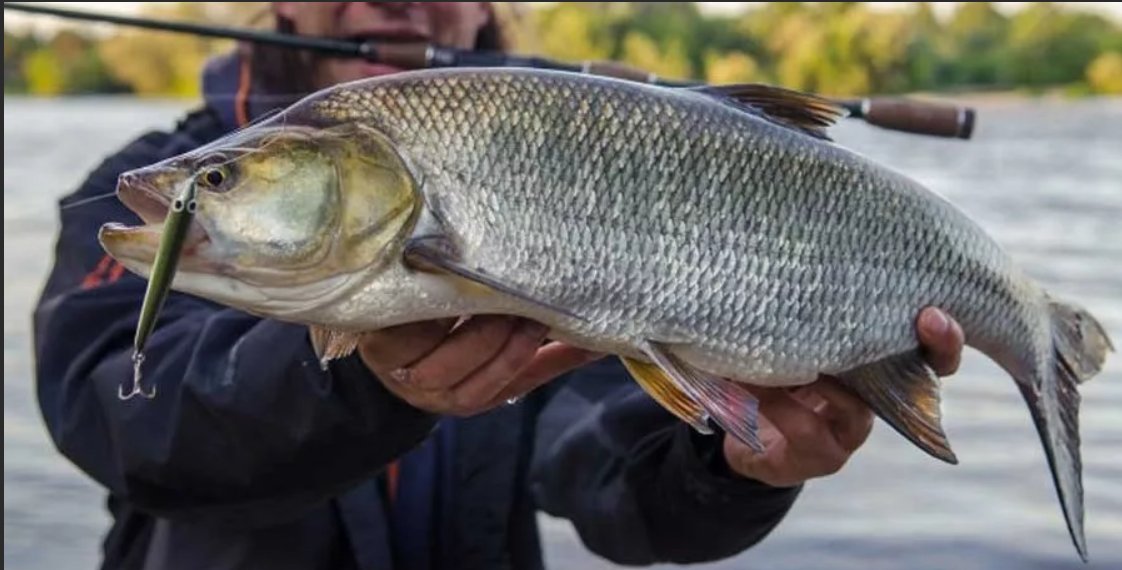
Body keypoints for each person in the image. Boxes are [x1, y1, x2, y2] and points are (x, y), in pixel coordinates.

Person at [31, 3, 966, 570]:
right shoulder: (158, 183)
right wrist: (362, 374)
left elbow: (609, 485)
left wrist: (735, 469)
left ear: (482, 9)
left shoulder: (569, 171)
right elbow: (126, 427)